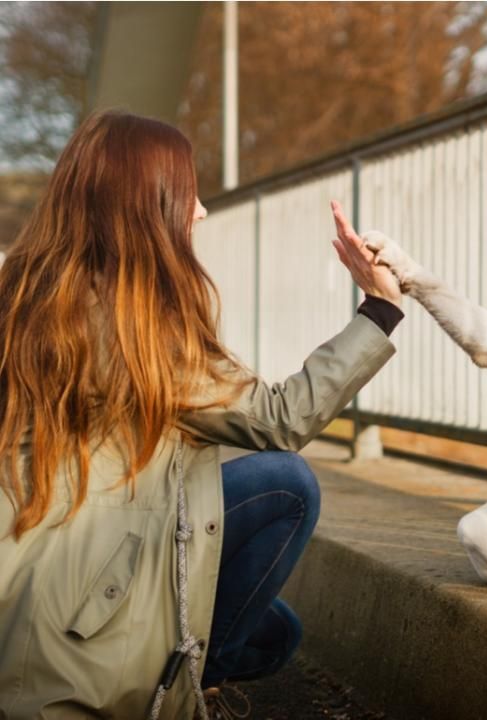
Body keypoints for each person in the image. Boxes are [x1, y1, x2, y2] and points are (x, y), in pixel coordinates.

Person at [0, 111, 401, 719]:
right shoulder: (133, 330)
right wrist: (378, 310)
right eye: (188, 195)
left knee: (276, 633)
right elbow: (280, 418)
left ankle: (181, 669)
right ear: (146, 205)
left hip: (32, 558)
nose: (203, 212)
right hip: (73, 603)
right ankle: (171, 690)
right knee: (285, 482)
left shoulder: (27, 286)